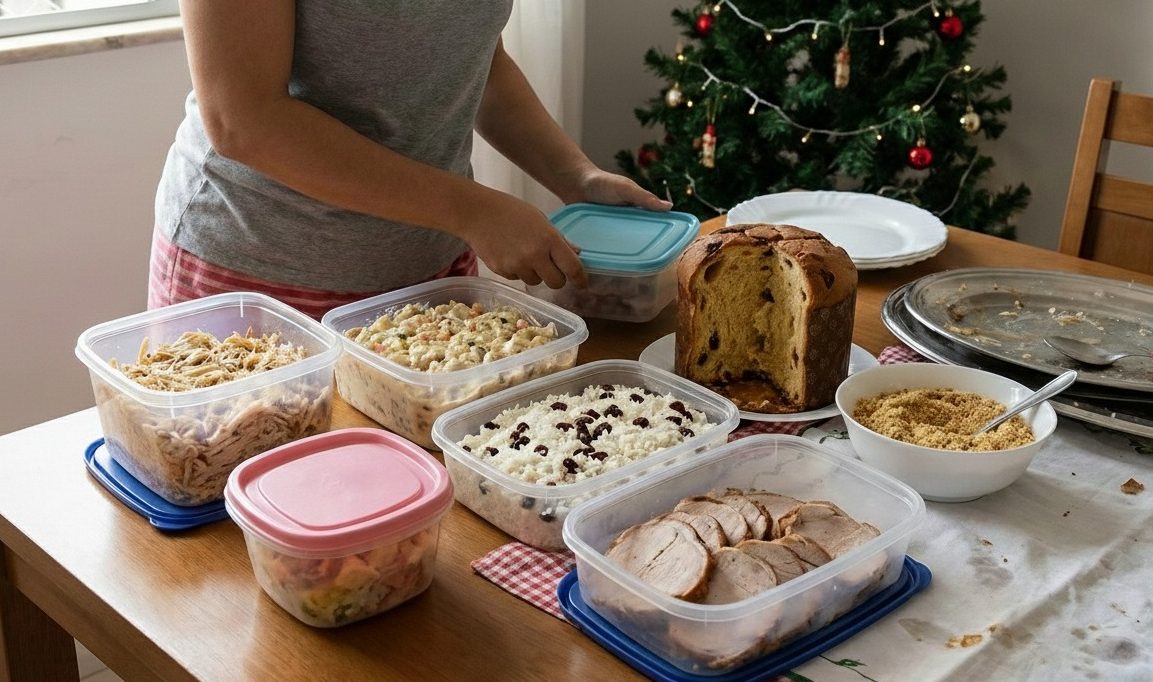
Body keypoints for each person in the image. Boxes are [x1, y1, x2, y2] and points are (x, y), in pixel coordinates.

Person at [148, 0, 672, 319]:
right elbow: (244, 120)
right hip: (263, 278)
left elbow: (478, 62)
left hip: (432, 272)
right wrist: (473, 210)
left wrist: (575, 177)